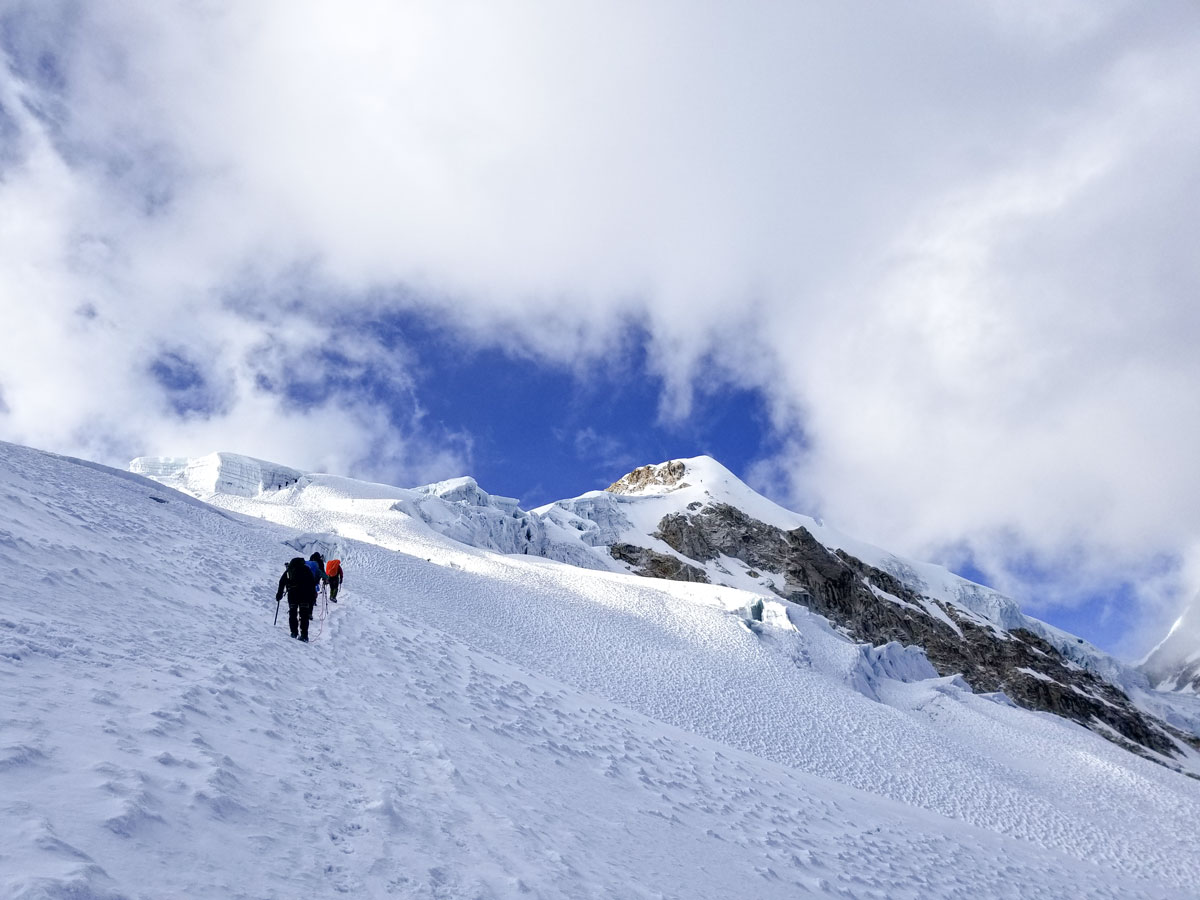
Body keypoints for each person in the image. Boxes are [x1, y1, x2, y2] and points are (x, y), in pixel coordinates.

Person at [276, 557, 317, 641]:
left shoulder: (289, 570)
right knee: (304, 615)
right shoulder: (306, 569)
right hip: (304, 595)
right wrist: (312, 597)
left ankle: (294, 632)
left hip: (292, 594)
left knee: (292, 613)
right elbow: (312, 584)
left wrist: (279, 594)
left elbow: (282, 582)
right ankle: (304, 635)